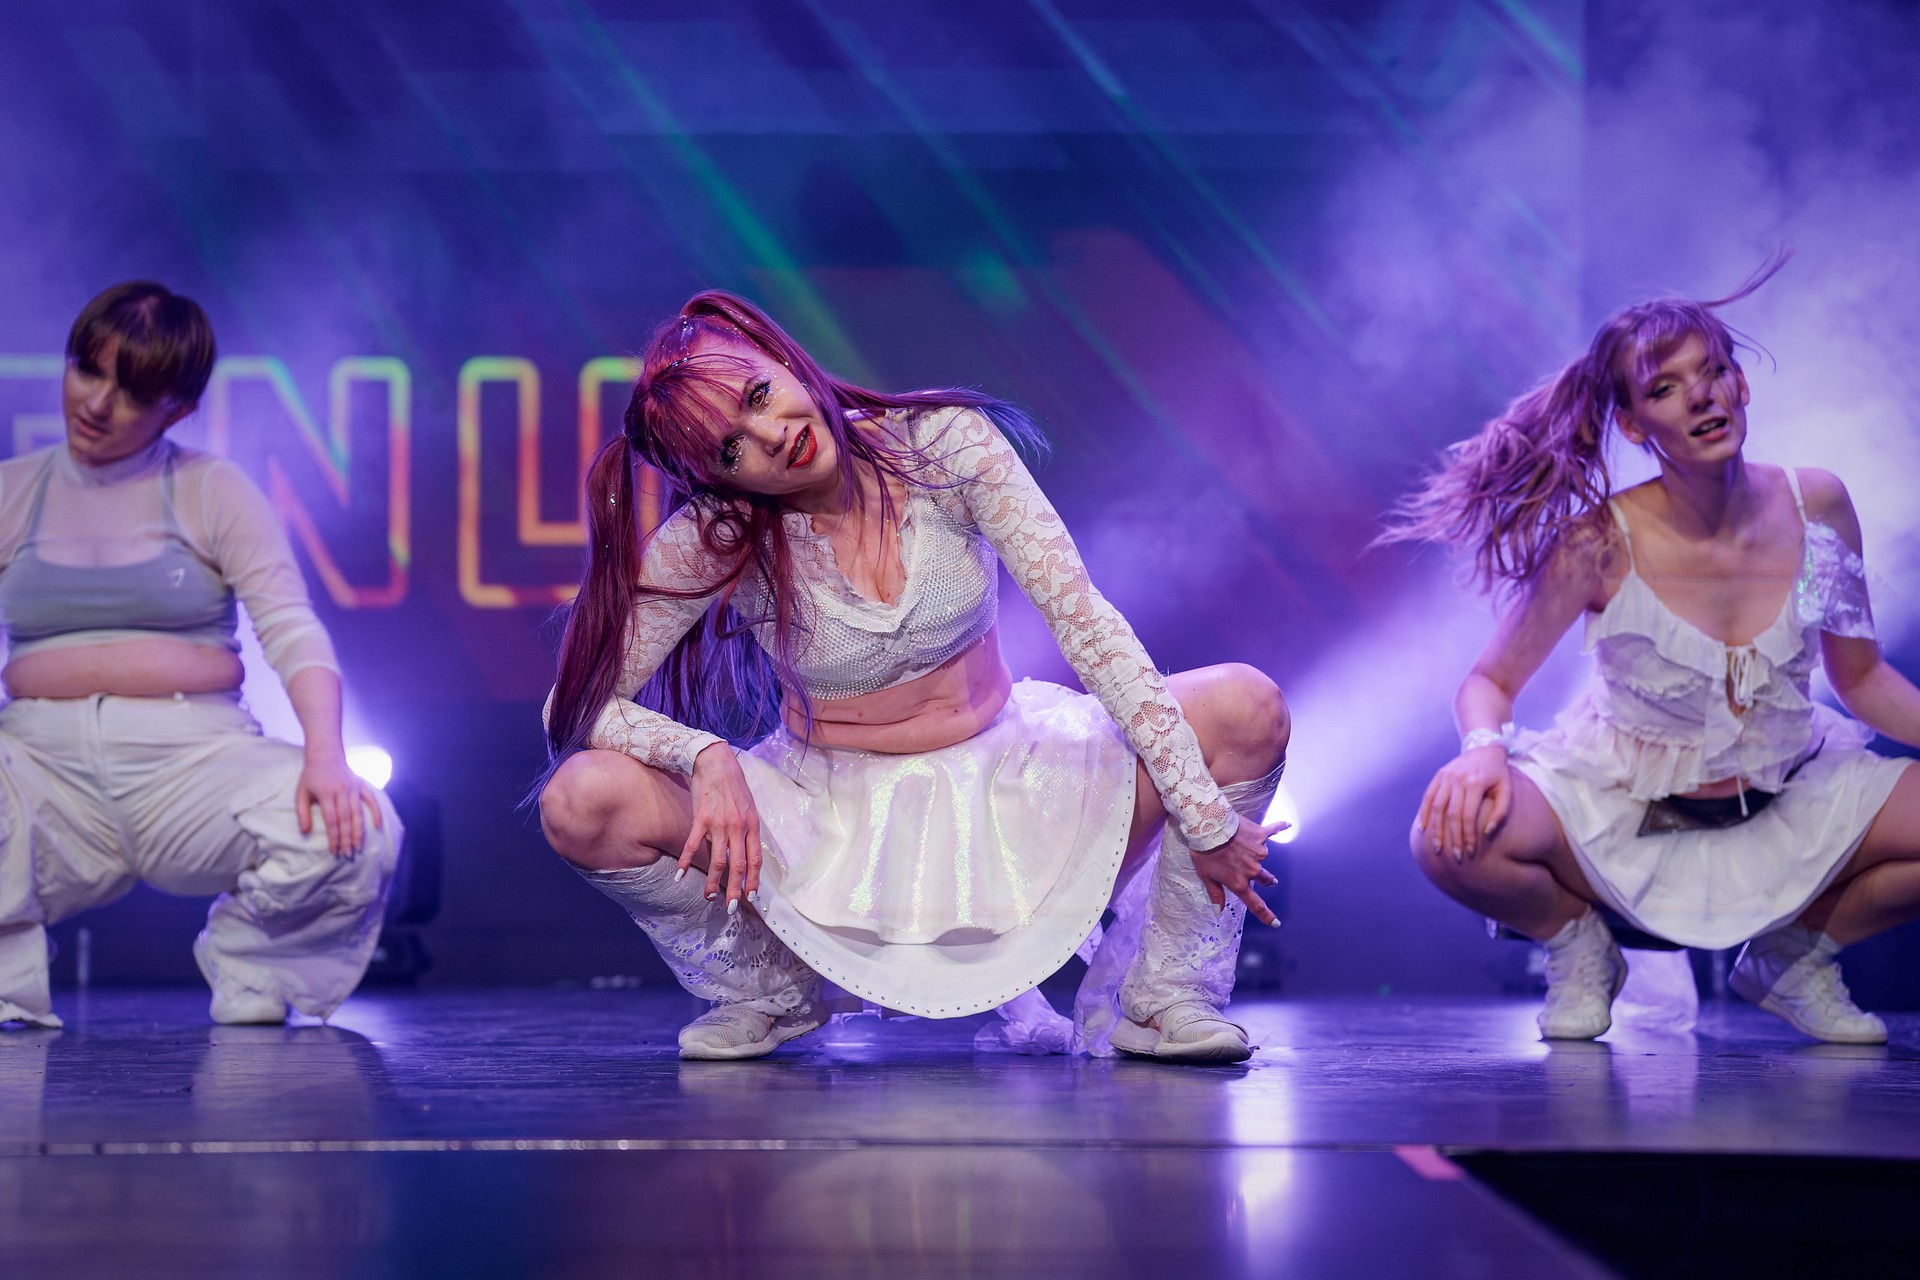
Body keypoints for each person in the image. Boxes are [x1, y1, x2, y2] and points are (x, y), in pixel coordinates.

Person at [538, 291, 1289, 1063]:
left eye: (759, 396)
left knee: (1245, 706)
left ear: (784, 360)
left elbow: (1086, 626)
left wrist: (1206, 819)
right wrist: (701, 754)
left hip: (1020, 791)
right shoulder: (718, 535)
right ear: (716, 477)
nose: (772, 436)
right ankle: (769, 992)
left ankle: (1163, 1000)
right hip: (824, 828)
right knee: (582, 799)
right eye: (731, 450)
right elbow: (573, 707)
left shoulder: (943, 445)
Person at [1386, 261, 1920, 1043]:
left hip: (1787, 797)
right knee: (1446, 837)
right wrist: (1481, 753)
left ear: (1741, 384)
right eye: (1666, 388)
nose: (1701, 396)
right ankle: (1578, 945)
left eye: (1713, 372)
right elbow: (1489, 679)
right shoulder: (1598, 543)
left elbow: (1863, 677)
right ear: (1635, 425)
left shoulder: (1819, 505)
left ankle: (1794, 957)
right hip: (1626, 810)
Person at [0, 282, 400, 1029]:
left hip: (194, 762)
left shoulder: (212, 489)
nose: (97, 403)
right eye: (88, 370)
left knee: (359, 827)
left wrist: (326, 755)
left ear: (177, 409)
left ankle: (253, 972)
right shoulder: (12, 491)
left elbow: (291, 627)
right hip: (40, 770)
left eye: (132, 391)